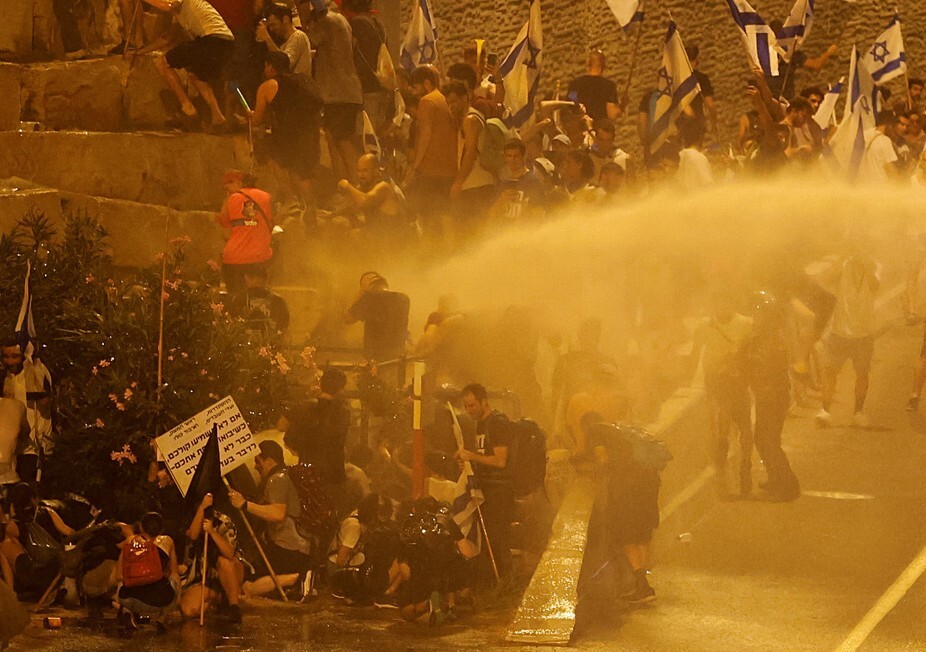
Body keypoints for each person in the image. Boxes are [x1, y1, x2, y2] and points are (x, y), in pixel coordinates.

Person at [578, 421, 660, 604]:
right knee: (642, 534)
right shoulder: (621, 432)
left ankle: (642, 585)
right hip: (648, 485)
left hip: (627, 489)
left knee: (626, 537)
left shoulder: (595, 434)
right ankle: (642, 583)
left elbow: (603, 460)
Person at [227, 440, 314, 599]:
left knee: (247, 587)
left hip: (287, 548)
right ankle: (297, 581)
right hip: (293, 547)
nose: (256, 467)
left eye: (258, 462)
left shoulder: (277, 479)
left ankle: (298, 577)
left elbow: (277, 514)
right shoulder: (284, 476)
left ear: (269, 461)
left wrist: (245, 504)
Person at [738, 292, 800, 501]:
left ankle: (789, 484)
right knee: (763, 439)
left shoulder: (772, 340)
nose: (755, 316)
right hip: (766, 396)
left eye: (759, 312)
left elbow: (763, 367)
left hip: (774, 397)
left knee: (769, 441)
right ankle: (775, 478)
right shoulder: (759, 337)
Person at [690, 293, 754, 497]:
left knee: (742, 422)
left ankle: (743, 463)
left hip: (737, 380)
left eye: (725, 301)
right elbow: (695, 353)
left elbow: (751, 352)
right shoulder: (704, 325)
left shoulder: (746, 323)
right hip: (716, 381)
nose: (721, 306)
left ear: (732, 303)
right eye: (717, 301)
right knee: (728, 420)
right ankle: (729, 465)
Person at [138, 0, 235, 131]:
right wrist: (140, 52)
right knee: (196, 76)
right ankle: (218, 117)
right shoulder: (181, 12)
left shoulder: (178, 2)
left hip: (211, 40)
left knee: (164, 62)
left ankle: (188, 109)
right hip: (225, 43)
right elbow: (167, 37)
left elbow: (167, 6)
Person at [250, 51, 324, 215]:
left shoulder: (268, 86)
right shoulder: (305, 80)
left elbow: (256, 120)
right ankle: (312, 208)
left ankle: (291, 200)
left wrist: (248, 116)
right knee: (304, 171)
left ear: (270, 67)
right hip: (310, 131)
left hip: (287, 133)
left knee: (275, 159)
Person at [816, 244, 880, 428]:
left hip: (864, 332)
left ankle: (858, 412)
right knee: (830, 371)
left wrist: (866, 264)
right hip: (840, 331)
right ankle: (825, 410)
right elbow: (826, 279)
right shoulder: (843, 266)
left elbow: (875, 285)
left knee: (862, 373)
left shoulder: (874, 265)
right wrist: (844, 254)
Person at [454, 383, 512, 583]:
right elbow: (484, 457)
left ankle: (505, 581)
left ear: (484, 401)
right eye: (466, 406)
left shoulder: (498, 423)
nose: (469, 410)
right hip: (486, 488)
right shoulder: (480, 423)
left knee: (498, 538)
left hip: (500, 490)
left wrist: (471, 456)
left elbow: (500, 460)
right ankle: (491, 583)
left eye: (472, 406)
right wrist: (469, 465)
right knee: (488, 540)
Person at [302, 1, 364, 182]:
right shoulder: (341, 20)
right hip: (344, 91)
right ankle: (346, 188)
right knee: (335, 139)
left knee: (342, 140)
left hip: (338, 92)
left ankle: (356, 186)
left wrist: (305, 17)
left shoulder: (326, 21)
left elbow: (310, 40)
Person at [280, 368, 350, 512]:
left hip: (307, 468)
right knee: (329, 511)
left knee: (307, 510)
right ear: (340, 389)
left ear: (321, 384)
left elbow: (281, 425)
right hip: (334, 472)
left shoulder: (305, 406)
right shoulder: (344, 413)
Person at [405, 65, 458, 241]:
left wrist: (415, 167)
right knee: (444, 214)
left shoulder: (427, 101)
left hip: (432, 169)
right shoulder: (444, 100)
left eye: (415, 87)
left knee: (427, 216)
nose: (413, 92)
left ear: (426, 84)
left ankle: (430, 254)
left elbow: (425, 135)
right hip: (449, 169)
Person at [179, 493, 245, 623]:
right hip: (205, 576)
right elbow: (192, 535)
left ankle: (233, 605)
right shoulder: (189, 520)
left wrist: (212, 532)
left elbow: (229, 554)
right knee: (188, 610)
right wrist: (201, 509)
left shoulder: (223, 521)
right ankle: (219, 598)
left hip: (229, 571)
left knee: (224, 562)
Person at [444, 80, 497, 234]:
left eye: (454, 101)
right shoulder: (466, 119)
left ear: (465, 98)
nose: (451, 106)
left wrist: (458, 183)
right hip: (473, 185)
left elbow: (471, 152)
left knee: (473, 233)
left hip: (477, 185)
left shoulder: (470, 119)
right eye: (448, 103)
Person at [115, 511, 180, 631]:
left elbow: (118, 576)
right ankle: (162, 618)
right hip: (159, 600)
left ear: (141, 527)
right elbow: (174, 571)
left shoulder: (130, 542)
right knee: (175, 578)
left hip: (128, 598)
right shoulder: (167, 541)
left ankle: (127, 611)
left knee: (122, 580)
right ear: (161, 529)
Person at [215, 170, 273, 296]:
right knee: (259, 299)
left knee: (237, 301)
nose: (227, 193)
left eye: (228, 189)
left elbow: (225, 232)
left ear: (237, 182)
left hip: (234, 260)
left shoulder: (231, 199)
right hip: (259, 258)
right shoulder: (266, 197)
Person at [2, 339, 52, 484]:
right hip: (12, 450)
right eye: (6, 356)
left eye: (15, 356)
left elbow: (45, 401)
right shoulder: (7, 377)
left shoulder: (37, 370)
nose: (10, 361)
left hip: (34, 447)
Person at [343, 0, 394, 134]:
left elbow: (356, 56)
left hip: (367, 88)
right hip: (382, 84)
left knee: (365, 135)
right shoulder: (378, 23)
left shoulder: (357, 24)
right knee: (376, 133)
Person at [344, 272, 410, 361]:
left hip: (375, 357)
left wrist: (359, 295)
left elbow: (348, 319)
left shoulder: (368, 299)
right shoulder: (403, 299)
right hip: (397, 356)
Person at [227, 266, 290, 341]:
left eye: (249, 277)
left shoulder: (239, 299)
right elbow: (283, 327)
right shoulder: (278, 301)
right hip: (270, 346)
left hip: (245, 346)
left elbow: (232, 324)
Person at [256, 3, 312, 81]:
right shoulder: (285, 40)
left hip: (299, 88)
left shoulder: (298, 36)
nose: (271, 29)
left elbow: (284, 63)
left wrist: (267, 38)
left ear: (285, 19)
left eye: (273, 25)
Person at [567, 49, 622, 122]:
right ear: (602, 66)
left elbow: (570, 105)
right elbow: (611, 115)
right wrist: (622, 106)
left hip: (580, 129)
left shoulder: (575, 84)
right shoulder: (609, 86)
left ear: (588, 65)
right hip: (600, 130)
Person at [860, 110, 901, 183]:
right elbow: (891, 172)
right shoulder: (885, 141)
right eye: (893, 126)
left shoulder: (863, 136)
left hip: (863, 187)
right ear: (889, 125)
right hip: (880, 188)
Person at [0, 398, 27, 488]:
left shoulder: (17, 407)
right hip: (9, 477)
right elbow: (25, 433)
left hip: (8, 477)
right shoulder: (18, 406)